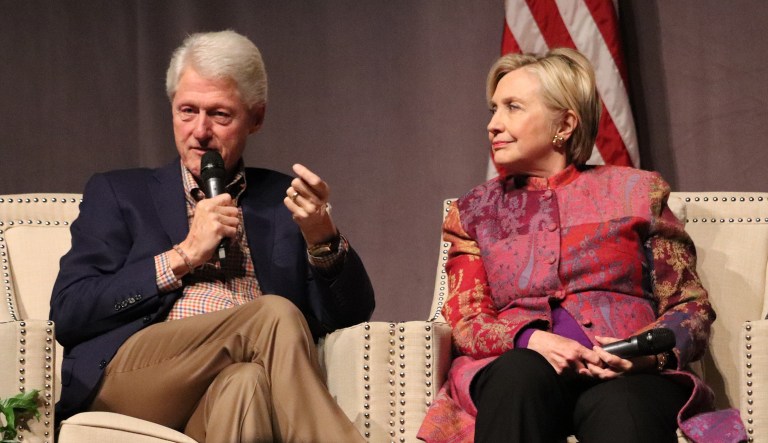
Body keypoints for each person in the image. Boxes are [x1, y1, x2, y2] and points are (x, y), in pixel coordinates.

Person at [50, 30, 374, 443]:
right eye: (187, 111)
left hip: (228, 381)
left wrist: (321, 239)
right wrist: (182, 255)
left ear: (256, 118)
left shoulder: (281, 200)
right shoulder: (120, 193)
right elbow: (70, 311)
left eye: (220, 115)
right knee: (271, 315)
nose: (200, 131)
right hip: (133, 375)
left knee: (246, 385)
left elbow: (351, 314)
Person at [416, 48, 746, 443]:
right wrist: (530, 339)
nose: (493, 124)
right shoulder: (474, 211)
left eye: (512, 107)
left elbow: (688, 305)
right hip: (521, 372)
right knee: (519, 374)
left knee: (622, 404)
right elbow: (466, 318)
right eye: (493, 110)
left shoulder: (638, 192)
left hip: (627, 374)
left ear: (565, 124)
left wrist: (641, 354)